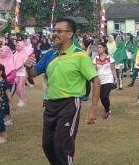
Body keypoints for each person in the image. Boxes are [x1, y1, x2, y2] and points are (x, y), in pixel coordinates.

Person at [25, 18, 100, 165]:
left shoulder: (80, 55)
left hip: (70, 104)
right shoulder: (49, 55)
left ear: (70, 34)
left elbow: (95, 81)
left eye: (59, 31)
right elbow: (33, 73)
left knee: (62, 145)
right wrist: (28, 67)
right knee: (47, 145)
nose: (55, 34)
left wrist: (93, 110)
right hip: (50, 104)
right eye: (54, 31)